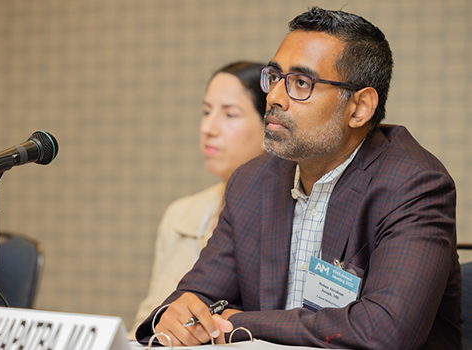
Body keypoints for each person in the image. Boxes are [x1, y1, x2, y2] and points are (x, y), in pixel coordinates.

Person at [135, 6, 462, 349]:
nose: (274, 97)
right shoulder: (252, 182)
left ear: (360, 107)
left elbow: (384, 330)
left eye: (301, 83)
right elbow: (197, 297)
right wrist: (174, 315)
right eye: (274, 77)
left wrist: (237, 323)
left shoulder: (413, 184)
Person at [128, 61, 267, 338]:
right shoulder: (180, 215)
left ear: (270, 126)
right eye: (206, 112)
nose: (209, 127)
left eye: (230, 114)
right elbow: (147, 316)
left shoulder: (285, 219)